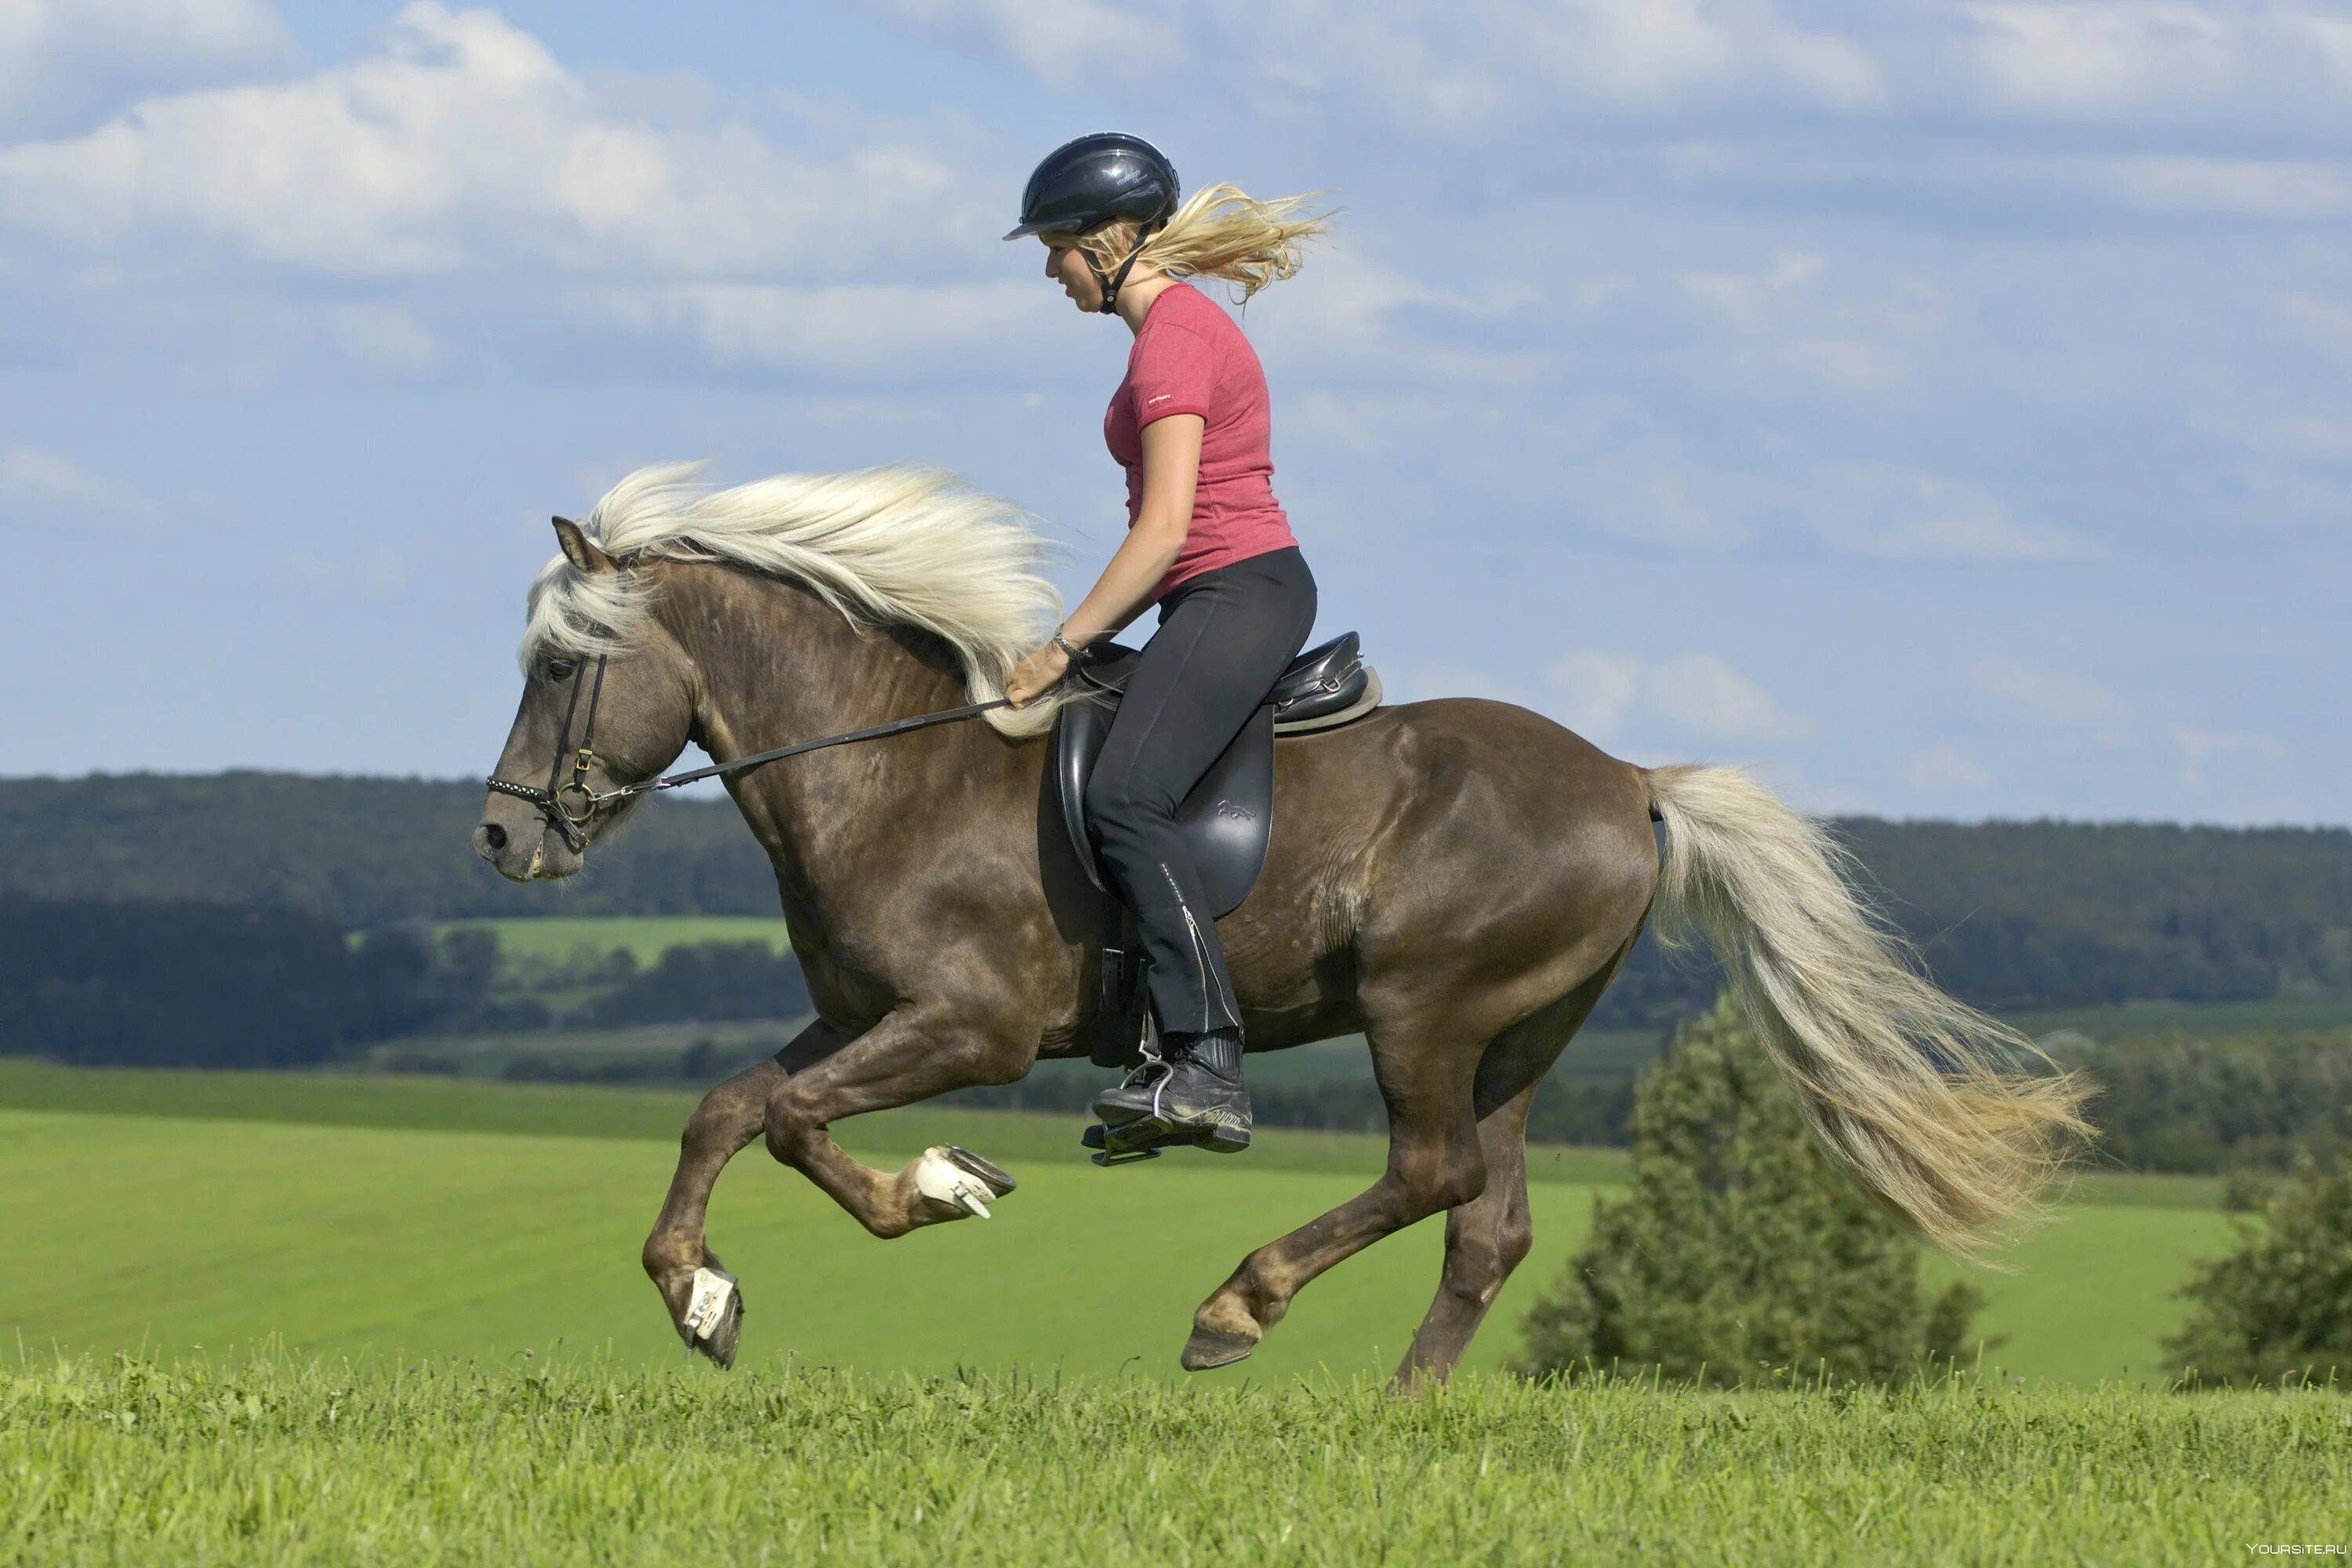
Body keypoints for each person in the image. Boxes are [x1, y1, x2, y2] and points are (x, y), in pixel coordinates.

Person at [1002, 132, 1329, 1156]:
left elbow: (1166, 530)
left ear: (1109, 242)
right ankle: (1150, 1048)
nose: (1050, 272)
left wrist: (1060, 646)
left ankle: (1208, 1059)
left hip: (1238, 589)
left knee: (1126, 796)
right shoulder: (1166, 332)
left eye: (1055, 249)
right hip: (1204, 598)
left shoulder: (1176, 338)